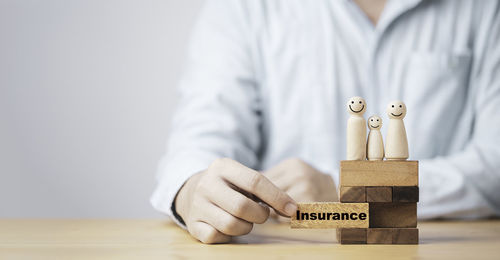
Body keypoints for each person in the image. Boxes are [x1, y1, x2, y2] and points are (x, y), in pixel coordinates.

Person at [151, 0, 500, 244]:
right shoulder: (243, 7)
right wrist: (193, 188)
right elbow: (199, 137)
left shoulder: (484, 9)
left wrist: (348, 192)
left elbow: (494, 164)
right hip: (285, 243)